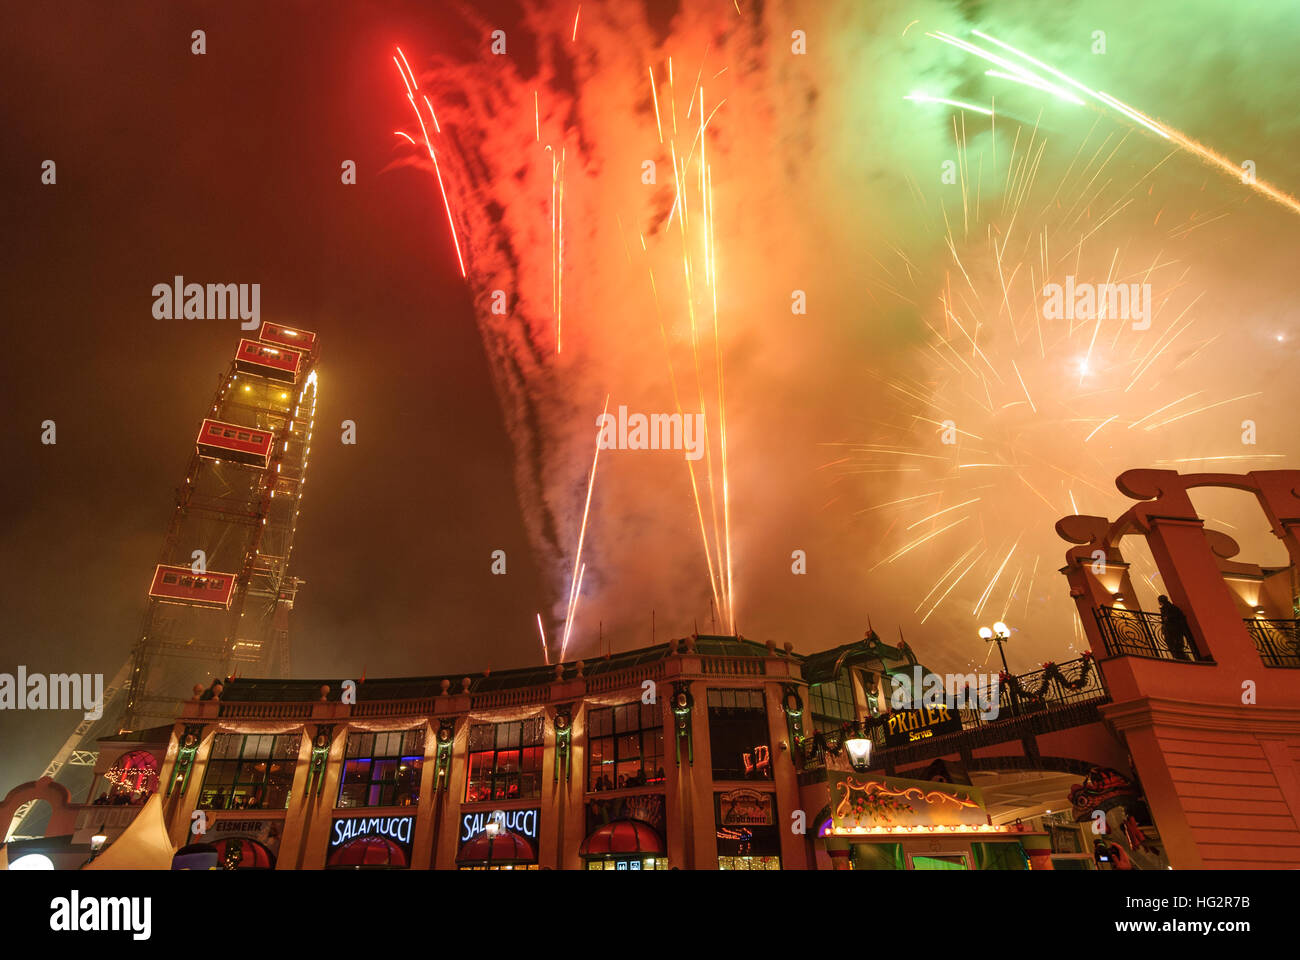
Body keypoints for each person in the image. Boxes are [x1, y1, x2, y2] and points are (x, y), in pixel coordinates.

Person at [1157, 595, 1194, 660]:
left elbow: (1176, 616)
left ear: (1160, 601)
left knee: (1175, 646)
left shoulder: (1169, 608)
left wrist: (1167, 619)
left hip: (1173, 630)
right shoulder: (1171, 607)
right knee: (1176, 646)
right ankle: (1182, 658)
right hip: (1172, 630)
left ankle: (1183, 659)